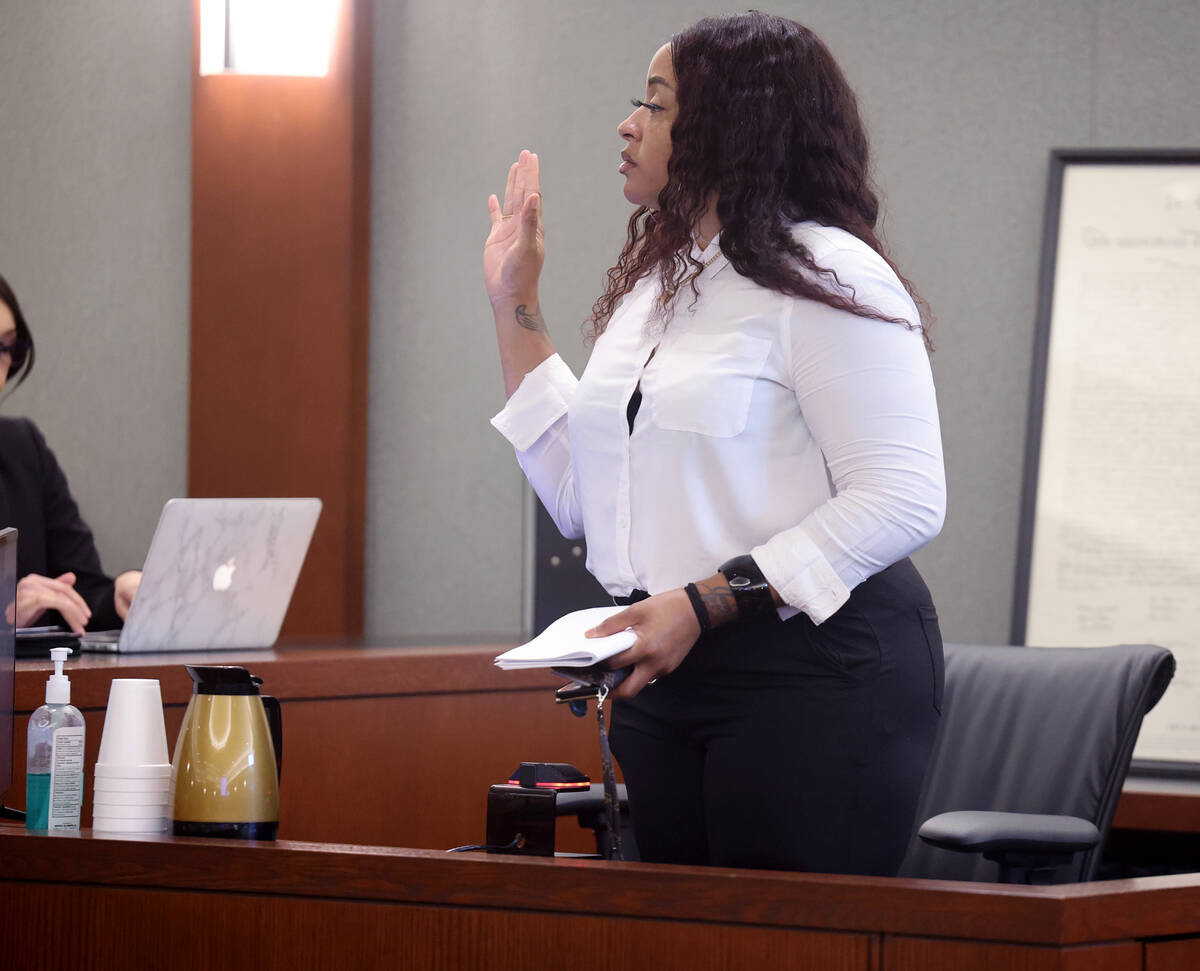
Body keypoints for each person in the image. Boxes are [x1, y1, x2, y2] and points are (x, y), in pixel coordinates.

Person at [484, 13, 946, 875]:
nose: (628, 124)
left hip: (816, 669)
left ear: (736, 125)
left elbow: (904, 495)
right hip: (669, 672)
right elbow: (585, 496)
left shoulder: (829, 272)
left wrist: (704, 600)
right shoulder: (662, 285)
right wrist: (516, 300)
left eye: (655, 106)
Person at [0, 273, 141, 633]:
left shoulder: (24, 448)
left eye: (4, 348)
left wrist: (115, 598)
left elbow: (80, 588)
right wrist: (6, 614)